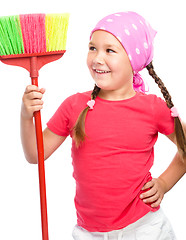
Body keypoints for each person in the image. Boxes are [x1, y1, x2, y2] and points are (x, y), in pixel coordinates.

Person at [21, 11, 186, 240]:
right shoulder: (74, 105)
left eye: (110, 50)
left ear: (134, 60)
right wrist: (26, 116)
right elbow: (35, 155)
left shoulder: (153, 108)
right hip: (90, 232)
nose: (97, 58)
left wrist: (165, 183)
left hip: (144, 228)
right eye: (92, 48)